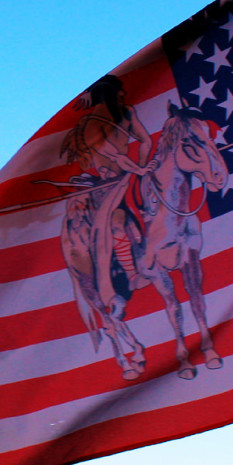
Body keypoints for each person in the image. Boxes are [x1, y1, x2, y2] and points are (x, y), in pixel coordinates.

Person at [60, 75, 152, 305]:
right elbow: (116, 156)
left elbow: (146, 142)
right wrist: (138, 169)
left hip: (130, 174)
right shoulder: (92, 124)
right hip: (107, 185)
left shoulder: (128, 112)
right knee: (116, 223)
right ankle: (131, 276)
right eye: (119, 91)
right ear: (110, 94)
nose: (123, 95)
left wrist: (142, 166)